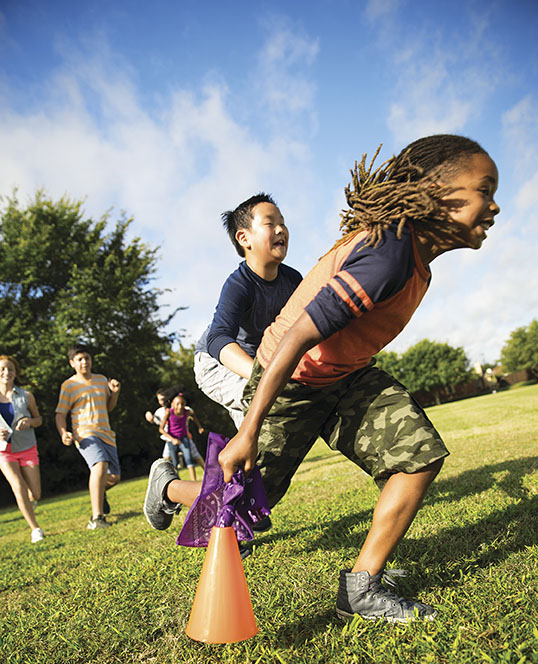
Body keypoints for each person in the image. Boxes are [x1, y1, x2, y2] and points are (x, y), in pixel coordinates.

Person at [144, 134, 500, 623]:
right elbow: (292, 341)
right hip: (290, 382)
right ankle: (166, 486)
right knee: (245, 506)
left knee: (417, 456)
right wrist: (247, 430)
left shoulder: (407, 253)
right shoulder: (388, 257)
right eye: (484, 189)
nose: (494, 205)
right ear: (435, 191)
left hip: (347, 377)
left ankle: (362, 588)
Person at [194, 192, 302, 429]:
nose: (280, 229)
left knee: (271, 422)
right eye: (270, 224)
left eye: (282, 223)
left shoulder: (293, 280)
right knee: (262, 404)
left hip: (259, 362)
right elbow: (218, 338)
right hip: (215, 362)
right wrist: (262, 375)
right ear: (244, 238)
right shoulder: (238, 285)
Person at [55, 344, 121, 530]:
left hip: (106, 433)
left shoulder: (101, 380)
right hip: (84, 433)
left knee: (114, 477)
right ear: (72, 363)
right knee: (100, 465)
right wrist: (63, 432)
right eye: (80, 359)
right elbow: (60, 414)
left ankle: (99, 493)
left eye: (87, 358)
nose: (84, 362)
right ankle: (97, 518)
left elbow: (108, 407)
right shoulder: (69, 385)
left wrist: (114, 393)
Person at [0, 355, 46, 543]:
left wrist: (29, 421)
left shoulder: (26, 395)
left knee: (35, 493)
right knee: (18, 486)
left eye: (10, 369)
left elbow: (39, 419)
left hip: (27, 447)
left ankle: (29, 501)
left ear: (15, 372)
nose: (6, 373)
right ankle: (35, 529)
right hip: (3, 450)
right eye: (2, 369)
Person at [158, 391, 205, 481]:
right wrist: (172, 439)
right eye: (177, 404)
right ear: (172, 404)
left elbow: (194, 417)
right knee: (175, 463)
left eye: (182, 404)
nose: (180, 406)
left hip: (184, 438)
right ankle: (176, 482)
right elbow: (161, 429)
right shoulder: (169, 413)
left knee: (189, 459)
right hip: (172, 440)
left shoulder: (186, 412)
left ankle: (193, 481)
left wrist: (200, 427)